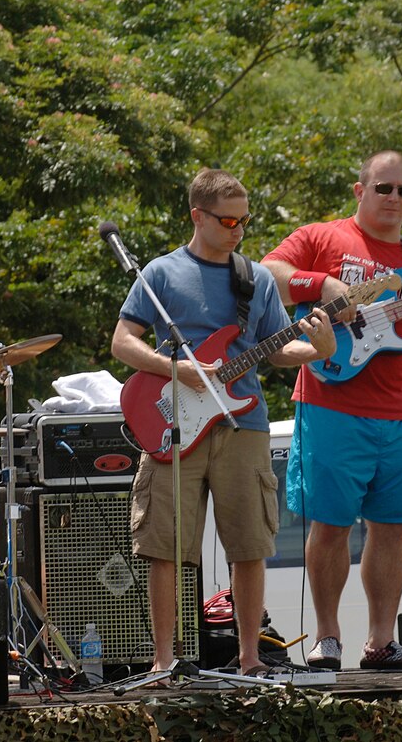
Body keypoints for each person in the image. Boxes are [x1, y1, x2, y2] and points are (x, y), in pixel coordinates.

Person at [262, 150, 402, 670]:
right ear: (359, 189)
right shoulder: (322, 238)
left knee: (393, 527)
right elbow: (268, 272)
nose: (394, 198)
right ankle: (327, 638)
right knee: (330, 523)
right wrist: (321, 284)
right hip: (331, 403)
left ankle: (382, 642)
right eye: (384, 187)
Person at [111, 168, 336, 676]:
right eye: (228, 220)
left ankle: (251, 658)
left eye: (244, 220)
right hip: (172, 426)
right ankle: (164, 661)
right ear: (198, 216)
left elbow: (279, 350)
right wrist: (177, 369)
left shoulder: (255, 278)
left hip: (245, 424)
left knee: (250, 545)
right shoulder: (162, 273)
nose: (238, 229)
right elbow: (122, 342)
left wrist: (318, 349)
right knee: (164, 548)